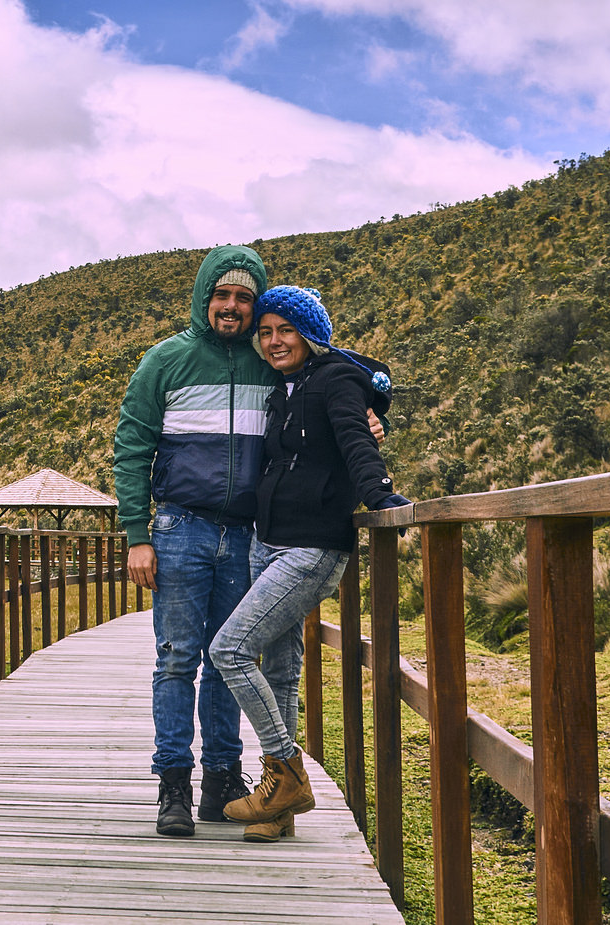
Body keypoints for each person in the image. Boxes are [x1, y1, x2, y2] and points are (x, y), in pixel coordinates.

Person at [208, 285, 410, 841]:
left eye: (285, 331)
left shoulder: (336, 380)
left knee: (229, 648)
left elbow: (354, 440)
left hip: (312, 547)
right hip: (265, 542)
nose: (273, 341)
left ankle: (287, 773)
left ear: (311, 335)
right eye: (265, 332)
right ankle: (279, 811)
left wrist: (381, 494)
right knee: (277, 667)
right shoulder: (284, 388)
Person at [112, 245, 273, 836]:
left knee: (230, 660)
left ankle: (223, 779)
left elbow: (335, 389)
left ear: (256, 304)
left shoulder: (270, 363)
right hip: (180, 528)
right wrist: (137, 535)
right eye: (222, 295)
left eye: (243, 297)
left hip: (249, 534)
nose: (231, 307)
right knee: (177, 658)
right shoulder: (165, 361)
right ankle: (173, 785)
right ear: (205, 297)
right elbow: (131, 449)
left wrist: (370, 412)